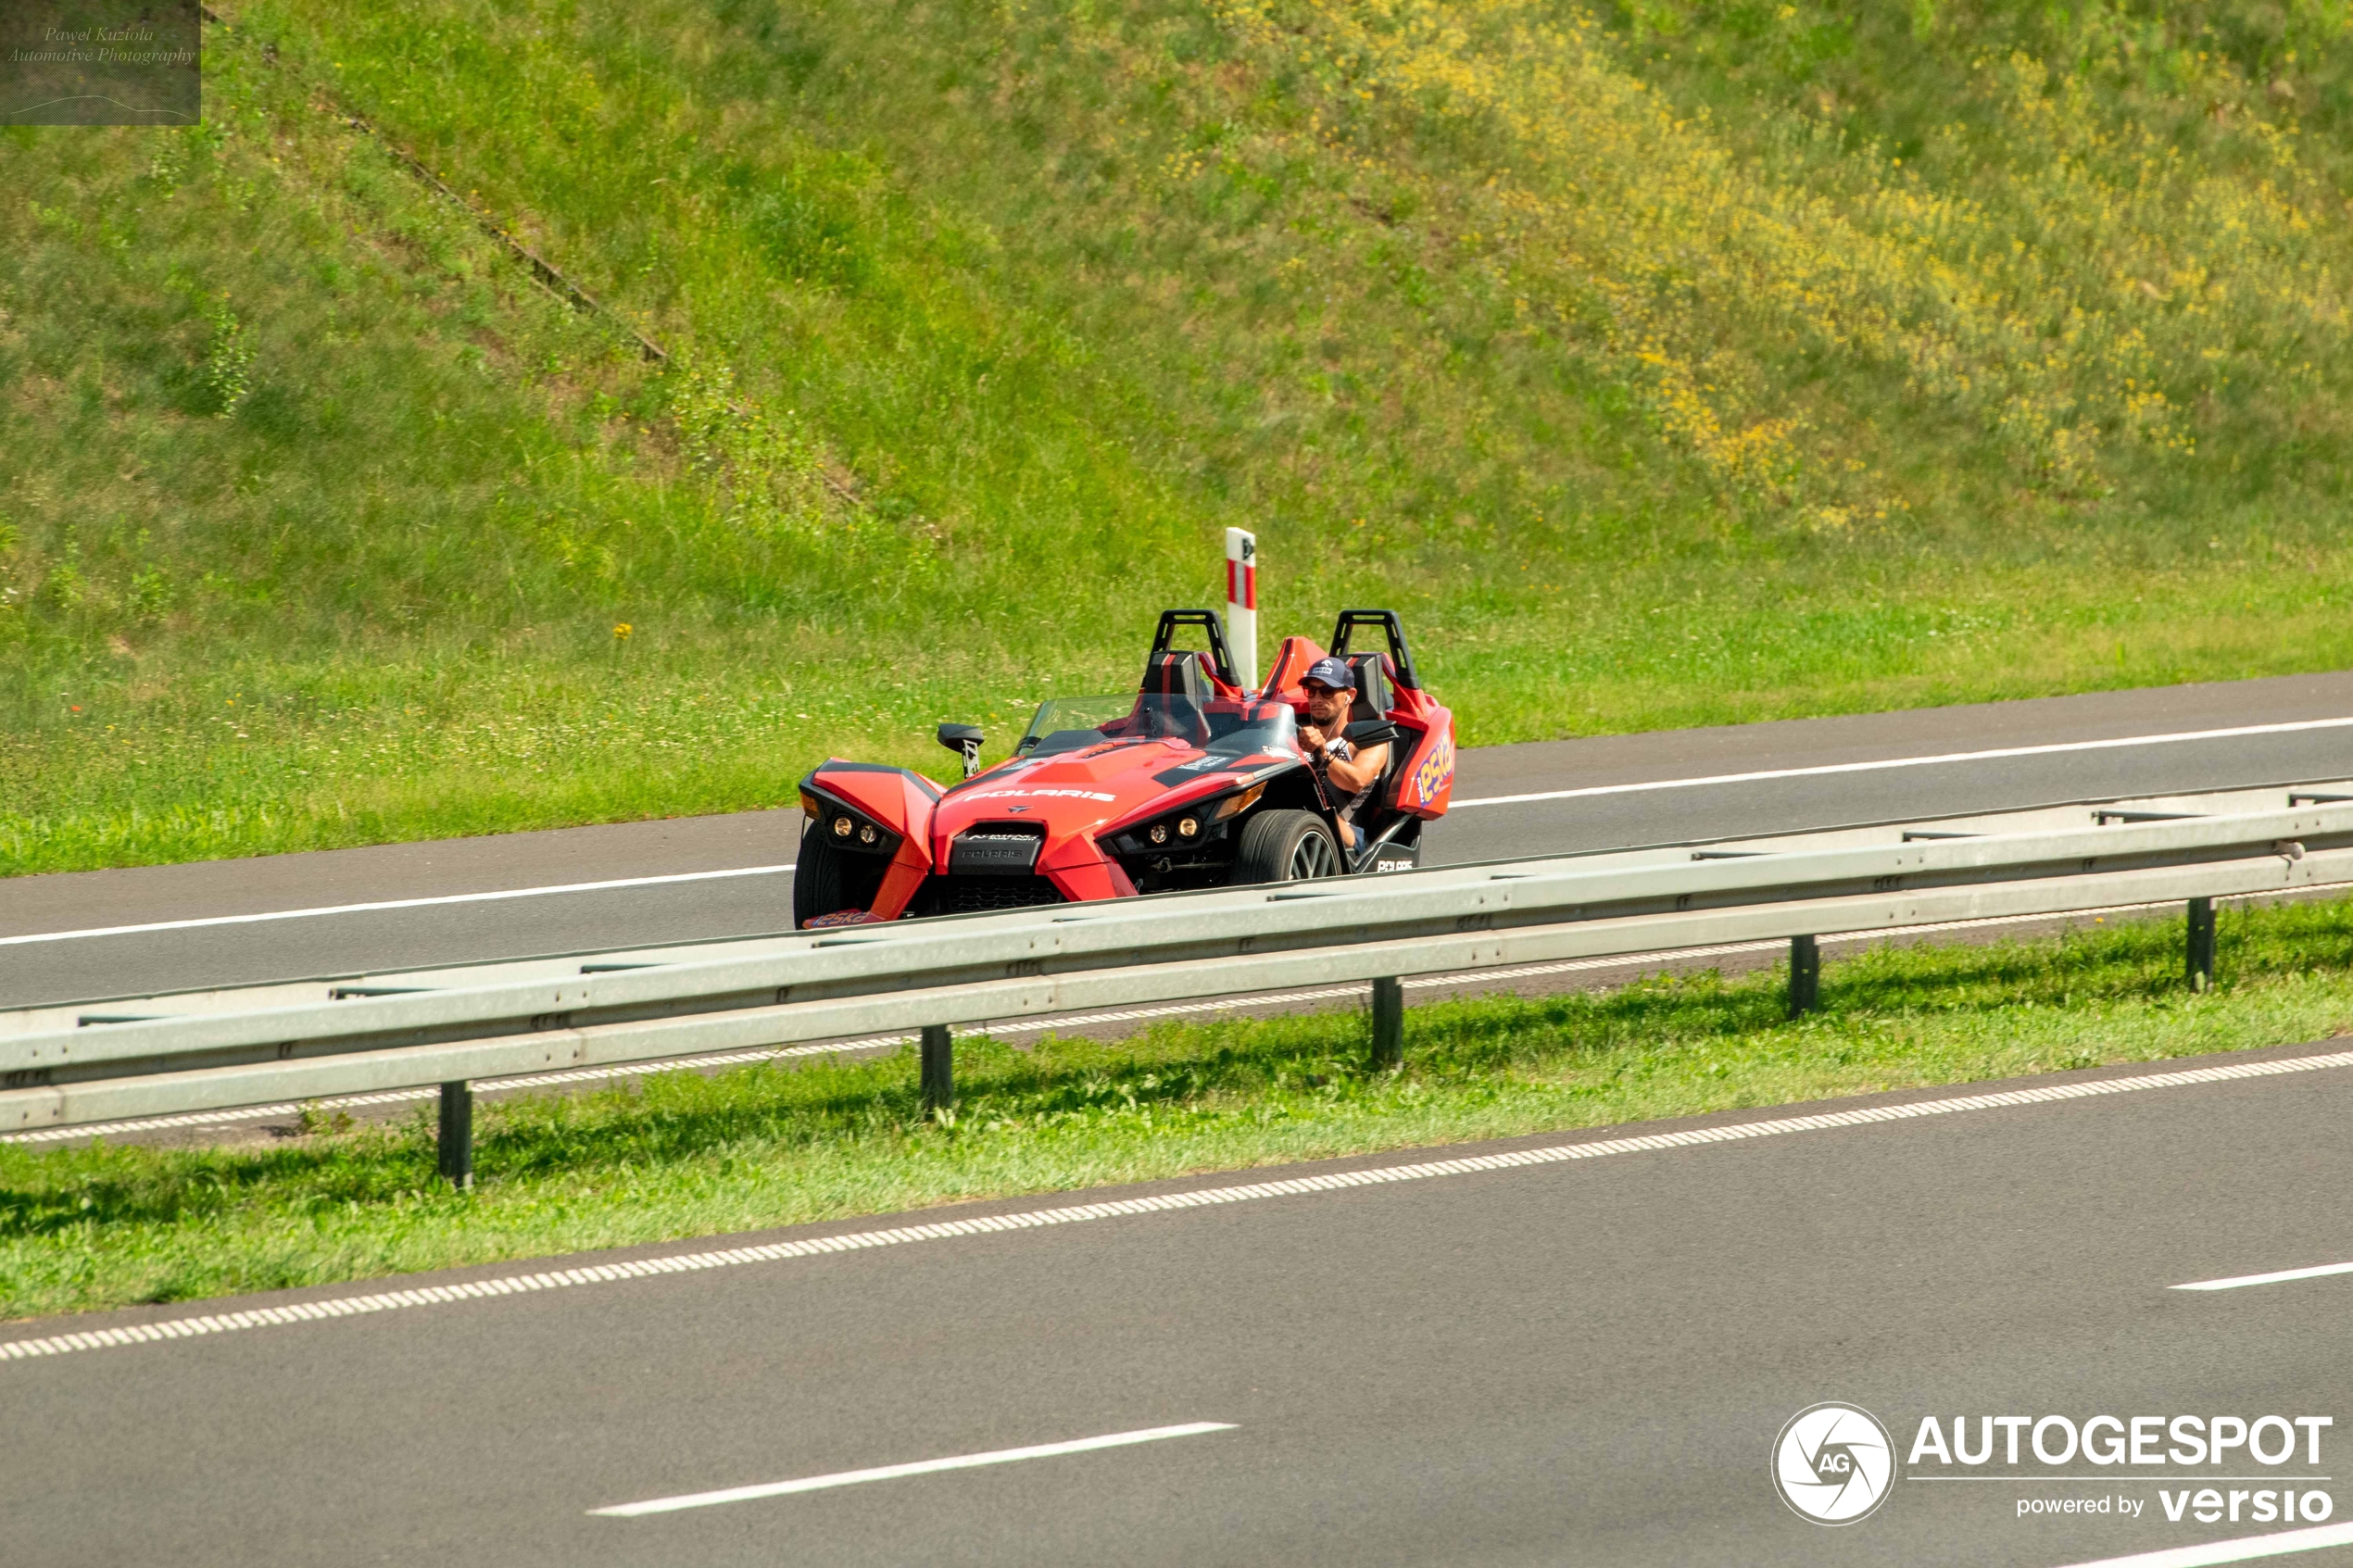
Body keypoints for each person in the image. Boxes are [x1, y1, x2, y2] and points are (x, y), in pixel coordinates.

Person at [1296, 656, 1390, 849]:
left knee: (1309, 813)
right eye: (1311, 691)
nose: (1317, 699)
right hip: (1292, 820)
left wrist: (1322, 752)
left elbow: (1356, 781)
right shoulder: (1295, 737)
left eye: (1327, 691)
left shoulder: (1369, 740)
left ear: (1351, 695)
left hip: (1349, 834)